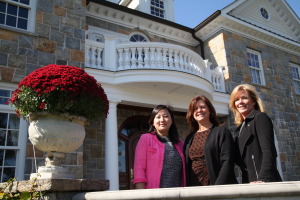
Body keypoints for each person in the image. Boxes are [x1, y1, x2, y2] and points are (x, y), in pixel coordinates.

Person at [229, 84, 282, 183]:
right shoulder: (240, 128)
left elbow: (269, 151)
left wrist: (264, 178)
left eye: (244, 98)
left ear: (253, 101)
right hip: (249, 181)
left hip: (263, 182)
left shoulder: (260, 118)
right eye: (237, 99)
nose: (240, 102)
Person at [184, 96, 237, 186]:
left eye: (203, 107)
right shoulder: (190, 138)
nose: (199, 110)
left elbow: (228, 161)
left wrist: (218, 187)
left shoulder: (221, 132)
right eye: (195, 108)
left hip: (216, 185)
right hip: (194, 187)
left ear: (210, 110)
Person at [133, 105, 186, 189]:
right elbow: (139, 168)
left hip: (178, 193)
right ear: (153, 122)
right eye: (158, 117)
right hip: (154, 193)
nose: (162, 120)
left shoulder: (180, 143)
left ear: (171, 120)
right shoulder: (146, 139)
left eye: (166, 116)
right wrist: (140, 193)